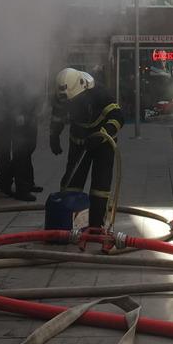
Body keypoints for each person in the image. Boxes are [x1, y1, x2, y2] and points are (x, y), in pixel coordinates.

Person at [49, 67, 124, 229]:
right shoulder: (64, 95)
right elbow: (57, 116)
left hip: (103, 144)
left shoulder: (100, 94)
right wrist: (54, 136)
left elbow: (118, 118)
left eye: (74, 101)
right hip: (79, 142)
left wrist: (102, 134)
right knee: (71, 182)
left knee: (100, 186)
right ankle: (69, 223)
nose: (71, 105)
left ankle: (96, 226)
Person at [0, 81, 42, 202]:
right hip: (4, 122)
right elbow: (4, 103)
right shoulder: (5, 85)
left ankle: (19, 182)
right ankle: (18, 188)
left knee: (25, 151)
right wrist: (17, 115)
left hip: (19, 121)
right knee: (10, 154)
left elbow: (29, 98)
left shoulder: (22, 81)